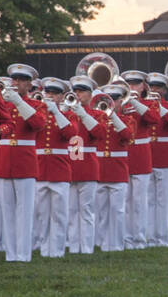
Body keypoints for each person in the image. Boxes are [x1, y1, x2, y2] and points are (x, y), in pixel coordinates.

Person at [0, 64, 45, 263]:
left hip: (25, 161)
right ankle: (10, 253)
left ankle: (23, 254)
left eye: (21, 80)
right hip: (5, 160)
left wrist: (19, 103)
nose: (16, 84)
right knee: (7, 210)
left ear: (29, 84)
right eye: (14, 80)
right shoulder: (2, 103)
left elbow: (38, 124)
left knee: (25, 211)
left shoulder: (37, 104)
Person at [33, 77, 78, 258]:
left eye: (54, 94)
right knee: (42, 215)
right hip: (41, 168)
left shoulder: (69, 115)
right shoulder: (37, 114)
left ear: (61, 97)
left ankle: (57, 250)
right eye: (48, 93)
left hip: (59, 169)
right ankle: (45, 249)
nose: (50, 96)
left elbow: (71, 134)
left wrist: (57, 113)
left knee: (59, 214)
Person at [91, 83, 134, 252]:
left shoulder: (127, 120)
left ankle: (116, 244)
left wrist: (112, 116)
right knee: (100, 211)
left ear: (120, 101)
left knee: (117, 211)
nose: (111, 103)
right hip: (101, 169)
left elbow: (128, 136)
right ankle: (101, 243)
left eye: (114, 99)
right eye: (108, 100)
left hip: (118, 170)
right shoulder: (96, 120)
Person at [119, 69, 159, 249]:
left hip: (142, 155)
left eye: (136, 83)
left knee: (140, 201)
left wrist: (135, 101)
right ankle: (126, 238)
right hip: (125, 154)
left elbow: (153, 118)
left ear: (144, 86)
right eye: (129, 84)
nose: (133, 86)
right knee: (126, 201)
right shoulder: (119, 103)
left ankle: (140, 239)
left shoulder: (150, 103)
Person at [63, 75, 102, 254]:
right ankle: (73, 245)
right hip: (71, 164)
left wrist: (83, 114)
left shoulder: (97, 114)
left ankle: (86, 247)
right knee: (71, 210)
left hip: (88, 166)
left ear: (90, 94)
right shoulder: (67, 114)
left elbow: (100, 133)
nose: (78, 95)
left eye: (82, 92)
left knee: (86, 209)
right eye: (76, 91)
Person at [146, 72, 168, 248]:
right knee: (149, 200)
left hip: (165, 158)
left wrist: (160, 106)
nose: (154, 90)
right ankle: (151, 238)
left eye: (158, 87)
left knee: (163, 201)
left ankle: (162, 238)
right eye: (152, 87)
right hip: (149, 157)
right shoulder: (144, 106)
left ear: (165, 90)